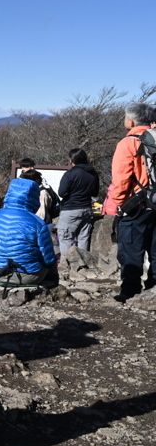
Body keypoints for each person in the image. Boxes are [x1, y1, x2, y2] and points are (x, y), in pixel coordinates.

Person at [111, 103, 156, 302]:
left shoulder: (128, 143)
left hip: (137, 206)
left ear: (131, 121)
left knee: (131, 250)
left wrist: (121, 202)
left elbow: (121, 180)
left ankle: (130, 291)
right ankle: (153, 290)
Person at [0, 177, 57, 286]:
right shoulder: (37, 222)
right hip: (27, 276)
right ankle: (54, 287)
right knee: (52, 260)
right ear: (34, 198)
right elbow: (48, 259)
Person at [57, 148, 100, 256]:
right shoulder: (93, 173)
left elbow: (62, 193)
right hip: (86, 209)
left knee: (66, 239)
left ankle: (67, 268)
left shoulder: (70, 173)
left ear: (72, 160)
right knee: (83, 239)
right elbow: (95, 192)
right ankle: (82, 266)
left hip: (70, 210)